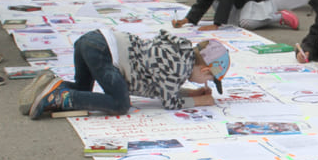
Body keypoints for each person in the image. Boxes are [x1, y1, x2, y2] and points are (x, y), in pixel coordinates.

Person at [24, 34, 229, 119]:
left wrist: (190, 92)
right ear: (204, 71)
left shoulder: (181, 54)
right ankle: (58, 96)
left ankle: (55, 85)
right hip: (104, 51)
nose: (206, 84)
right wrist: (199, 100)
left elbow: (164, 88)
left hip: (92, 42)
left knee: (84, 91)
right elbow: (169, 102)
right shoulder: (179, 66)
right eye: (210, 80)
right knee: (120, 104)